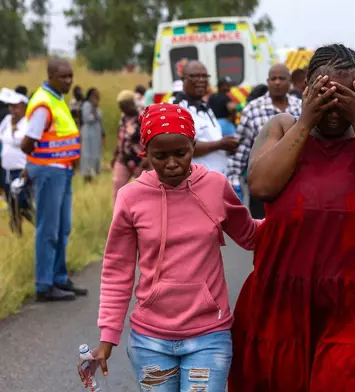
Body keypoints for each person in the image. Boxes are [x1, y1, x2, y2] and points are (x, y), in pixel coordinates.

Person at [229, 43, 355, 392]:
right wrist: (307, 119)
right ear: (306, 88)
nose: (334, 104)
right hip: (282, 291)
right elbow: (262, 184)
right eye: (324, 92)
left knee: (348, 378)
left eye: (345, 93)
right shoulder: (281, 127)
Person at [87, 103, 260, 392]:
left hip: (210, 335)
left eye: (181, 153)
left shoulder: (215, 187)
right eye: (160, 156)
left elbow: (251, 235)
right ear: (146, 152)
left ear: (193, 145)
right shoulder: (131, 198)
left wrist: (294, 216)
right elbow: (117, 270)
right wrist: (108, 336)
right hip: (149, 341)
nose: (171, 163)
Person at [20, 57, 87, 301]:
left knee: (62, 227)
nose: (68, 80)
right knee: (48, 230)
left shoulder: (56, 98)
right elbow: (27, 143)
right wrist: (39, 163)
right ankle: (44, 285)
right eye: (63, 76)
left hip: (62, 170)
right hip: (50, 171)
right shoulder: (43, 104)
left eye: (71, 76)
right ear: (51, 76)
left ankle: (59, 277)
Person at [226, 63, 302, 218]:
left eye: (282, 78)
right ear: (268, 82)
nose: (277, 82)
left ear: (290, 82)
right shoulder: (252, 109)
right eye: (273, 79)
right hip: (263, 186)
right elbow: (242, 149)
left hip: (296, 185)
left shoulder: (300, 107)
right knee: (265, 236)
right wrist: (234, 181)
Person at [170, 60, 239, 174]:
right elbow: (182, 147)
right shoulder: (176, 108)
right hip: (197, 182)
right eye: (194, 77)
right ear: (183, 79)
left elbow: (210, 140)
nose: (201, 80)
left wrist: (227, 147)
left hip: (218, 178)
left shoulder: (204, 106)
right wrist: (219, 144)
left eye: (204, 76)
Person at [0, 88, 32, 234]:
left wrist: (14, 130)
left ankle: (41, 227)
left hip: (21, 170)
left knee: (23, 202)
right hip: (6, 170)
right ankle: (16, 233)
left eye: (16, 107)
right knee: (11, 204)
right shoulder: (6, 121)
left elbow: (21, 140)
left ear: (24, 107)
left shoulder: (28, 123)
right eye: (10, 107)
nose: (13, 110)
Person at [111, 90, 145, 204]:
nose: (122, 109)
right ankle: (119, 218)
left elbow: (151, 139)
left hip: (141, 161)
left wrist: (148, 159)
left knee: (144, 191)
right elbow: (122, 138)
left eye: (124, 106)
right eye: (120, 107)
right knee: (118, 188)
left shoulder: (143, 117)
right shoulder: (124, 118)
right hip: (123, 159)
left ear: (131, 104)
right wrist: (115, 155)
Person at [80, 88, 104, 183]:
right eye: (95, 95)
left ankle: (93, 174)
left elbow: (100, 119)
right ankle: (87, 176)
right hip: (88, 133)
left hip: (96, 133)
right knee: (87, 153)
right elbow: (88, 119)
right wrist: (94, 107)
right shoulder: (86, 105)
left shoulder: (97, 106)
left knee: (95, 153)